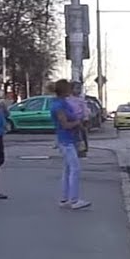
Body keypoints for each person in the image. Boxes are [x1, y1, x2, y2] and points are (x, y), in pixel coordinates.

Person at [51, 79, 90, 210]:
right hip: (66, 140)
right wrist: (78, 123)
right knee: (75, 168)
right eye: (69, 88)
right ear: (64, 90)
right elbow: (65, 124)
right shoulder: (59, 106)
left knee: (67, 169)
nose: (71, 90)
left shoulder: (62, 103)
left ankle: (64, 198)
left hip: (69, 139)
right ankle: (74, 200)